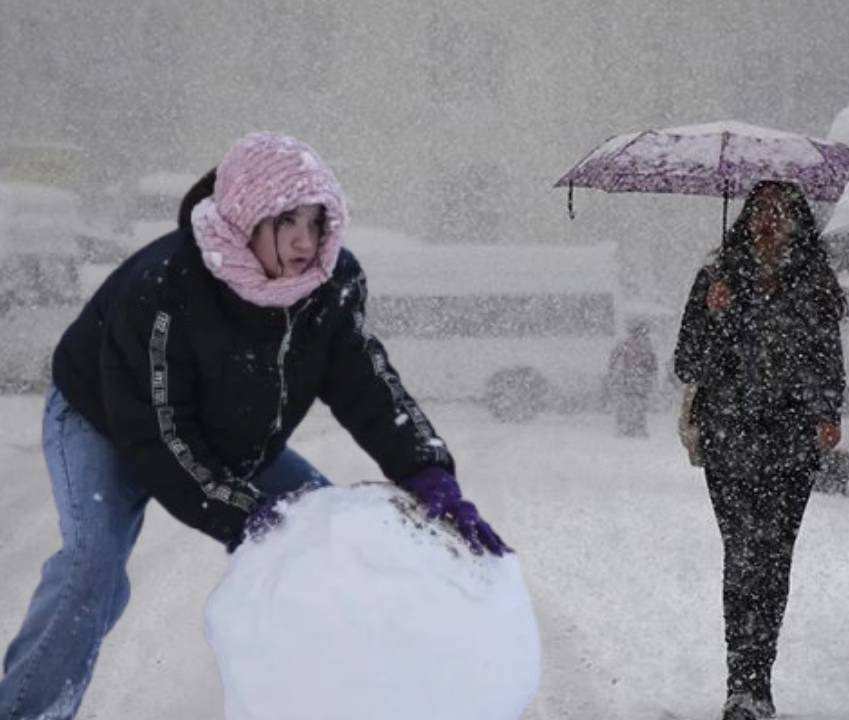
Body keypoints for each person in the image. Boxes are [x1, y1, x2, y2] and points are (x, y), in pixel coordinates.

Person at [0, 131, 508, 720]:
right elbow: (162, 435)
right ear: (245, 218)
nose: (303, 240)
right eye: (285, 220)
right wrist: (241, 515)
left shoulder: (331, 287)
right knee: (94, 569)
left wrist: (428, 473)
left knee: (333, 549)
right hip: (103, 420)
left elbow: (369, 385)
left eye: (316, 221)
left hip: (229, 431)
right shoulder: (166, 288)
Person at [674, 180, 846, 720]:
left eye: (781, 213)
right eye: (761, 212)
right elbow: (687, 363)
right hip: (728, 441)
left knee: (772, 560)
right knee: (744, 555)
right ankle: (741, 681)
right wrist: (713, 312)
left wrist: (826, 413)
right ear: (746, 219)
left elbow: (827, 362)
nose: (769, 223)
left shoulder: (814, 285)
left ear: (799, 223)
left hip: (791, 446)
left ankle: (758, 678)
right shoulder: (716, 280)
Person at [606, 318, 658, 437]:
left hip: (628, 378)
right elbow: (652, 363)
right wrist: (652, 376)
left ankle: (626, 428)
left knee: (627, 405)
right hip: (639, 379)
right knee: (638, 406)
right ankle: (637, 428)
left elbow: (614, 358)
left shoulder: (625, 343)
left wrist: (613, 372)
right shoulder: (646, 345)